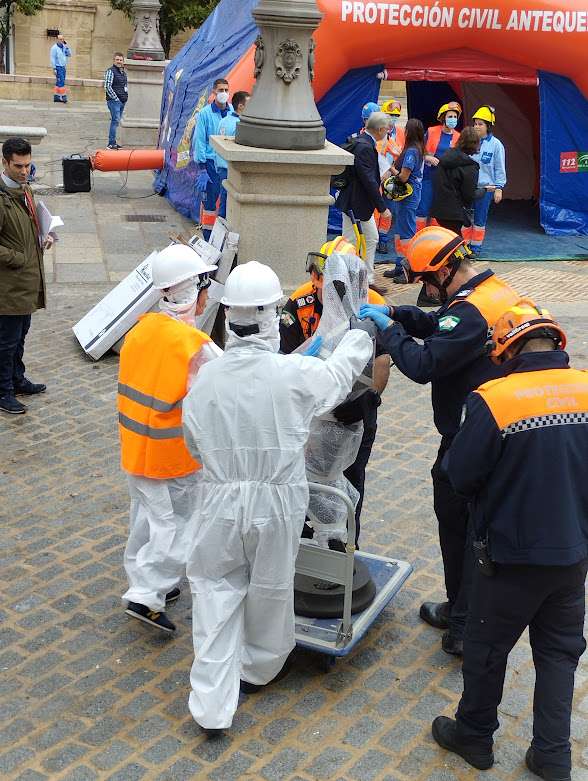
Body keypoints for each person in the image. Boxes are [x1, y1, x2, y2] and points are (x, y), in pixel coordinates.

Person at [182, 261, 372, 736]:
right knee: (270, 586)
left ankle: (210, 700)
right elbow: (336, 378)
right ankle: (258, 669)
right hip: (277, 501)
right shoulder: (293, 374)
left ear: (229, 316)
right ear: (271, 316)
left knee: (213, 588)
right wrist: (357, 338)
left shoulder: (205, 378)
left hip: (220, 501)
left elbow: (192, 443)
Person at [433, 301, 588, 781]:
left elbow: (460, 475)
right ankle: (552, 755)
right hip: (573, 555)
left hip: (507, 556)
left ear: (508, 349)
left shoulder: (495, 398)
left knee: (485, 647)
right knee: (560, 652)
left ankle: (475, 735)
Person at [359, 226, 520, 656]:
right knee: (455, 515)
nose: (425, 290)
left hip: (478, 435)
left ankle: (466, 626)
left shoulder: (471, 312)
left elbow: (424, 362)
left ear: (447, 268)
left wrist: (390, 336)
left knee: (467, 527)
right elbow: (439, 325)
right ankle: (460, 607)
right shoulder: (485, 293)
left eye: (427, 281)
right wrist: (398, 316)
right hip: (488, 427)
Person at [118, 244, 220, 633]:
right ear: (194, 290)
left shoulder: (142, 329)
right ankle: (147, 594)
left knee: (146, 519)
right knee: (180, 526)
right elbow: (231, 379)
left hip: (136, 449)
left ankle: (148, 582)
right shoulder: (193, 346)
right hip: (173, 455)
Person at [279, 236, 391, 543]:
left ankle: (345, 545)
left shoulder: (373, 308)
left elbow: (381, 362)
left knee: (352, 474)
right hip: (310, 411)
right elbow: (287, 357)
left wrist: (368, 400)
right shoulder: (301, 303)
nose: (317, 281)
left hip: (354, 412)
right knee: (302, 477)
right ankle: (300, 538)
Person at [0, 138, 51, 415]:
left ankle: (17, 380)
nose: (24, 171)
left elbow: (27, 226)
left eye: (28, 165)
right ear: (5, 162)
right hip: (8, 287)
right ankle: (4, 391)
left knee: (20, 336)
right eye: (18, 166)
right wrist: (18, 257)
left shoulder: (24, 188)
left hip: (27, 282)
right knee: (5, 342)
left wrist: (44, 234)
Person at [335, 111, 392, 285]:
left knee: (358, 239)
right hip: (358, 204)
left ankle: (359, 278)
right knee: (359, 240)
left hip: (352, 201)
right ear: (381, 129)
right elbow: (369, 181)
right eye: (387, 130)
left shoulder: (361, 142)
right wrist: (382, 208)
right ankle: (359, 280)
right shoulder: (366, 147)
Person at [383, 118, 425, 279]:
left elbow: (403, 177)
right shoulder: (416, 149)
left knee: (406, 233)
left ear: (409, 132)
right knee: (400, 231)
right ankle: (400, 265)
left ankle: (409, 270)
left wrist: (390, 167)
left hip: (408, 195)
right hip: (405, 196)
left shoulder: (412, 152)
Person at [192, 77, 231, 240]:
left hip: (226, 164)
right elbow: (199, 140)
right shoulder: (205, 114)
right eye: (220, 90)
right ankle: (207, 236)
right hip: (209, 164)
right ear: (214, 92)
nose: (224, 94)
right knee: (209, 203)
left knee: (225, 203)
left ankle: (222, 237)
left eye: (226, 90)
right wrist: (201, 168)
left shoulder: (232, 113)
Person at [465, 106, 507, 256]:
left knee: (479, 219)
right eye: (475, 123)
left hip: (486, 189)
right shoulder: (470, 142)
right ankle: (464, 246)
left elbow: (499, 168)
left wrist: (499, 188)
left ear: (488, 126)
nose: (476, 127)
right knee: (465, 219)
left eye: (480, 124)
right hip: (468, 187)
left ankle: (475, 248)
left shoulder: (496, 145)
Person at [416, 101, 462, 232]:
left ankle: (435, 239)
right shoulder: (431, 131)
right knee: (423, 209)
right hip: (428, 177)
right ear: (443, 118)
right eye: (450, 116)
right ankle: (419, 236)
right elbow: (419, 150)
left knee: (439, 211)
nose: (453, 119)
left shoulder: (459, 137)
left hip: (446, 181)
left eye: (455, 117)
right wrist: (427, 157)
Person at [431, 127, 482, 234]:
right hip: (455, 213)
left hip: (439, 209)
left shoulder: (445, 157)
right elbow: (469, 195)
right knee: (456, 247)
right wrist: (484, 190)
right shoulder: (470, 167)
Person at [375, 99, 405, 254]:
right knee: (375, 211)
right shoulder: (376, 131)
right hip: (375, 177)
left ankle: (383, 240)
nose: (393, 118)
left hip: (391, 177)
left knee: (389, 210)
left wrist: (392, 171)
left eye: (396, 115)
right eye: (390, 114)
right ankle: (372, 239)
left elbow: (401, 155)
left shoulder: (400, 132)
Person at [216, 90, 250, 219]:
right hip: (232, 169)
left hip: (221, 166)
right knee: (229, 206)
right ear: (241, 106)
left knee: (224, 202)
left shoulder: (224, 121)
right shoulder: (240, 125)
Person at [104, 52, 128, 150]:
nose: (119, 61)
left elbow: (124, 86)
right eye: (117, 60)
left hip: (122, 101)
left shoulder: (123, 72)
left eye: (121, 60)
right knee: (115, 121)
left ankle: (113, 142)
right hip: (115, 101)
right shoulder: (111, 71)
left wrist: (125, 97)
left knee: (116, 122)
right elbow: (107, 86)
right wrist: (116, 98)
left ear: (123, 61)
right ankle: (111, 143)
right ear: (114, 60)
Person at [49, 33, 72, 104]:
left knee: (59, 82)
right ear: (57, 40)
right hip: (58, 67)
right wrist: (54, 68)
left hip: (63, 67)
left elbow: (69, 55)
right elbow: (52, 58)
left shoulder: (64, 47)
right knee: (61, 81)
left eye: (63, 39)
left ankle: (56, 96)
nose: (62, 40)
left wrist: (67, 47)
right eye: (60, 39)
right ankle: (63, 96)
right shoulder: (54, 48)